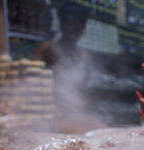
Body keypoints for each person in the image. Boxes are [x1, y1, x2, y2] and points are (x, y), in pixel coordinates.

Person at [32, 2, 106, 133]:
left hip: (77, 115)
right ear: (61, 24)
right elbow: (29, 84)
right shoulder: (47, 49)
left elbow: (82, 92)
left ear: (84, 27)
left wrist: (88, 115)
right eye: (69, 23)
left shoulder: (84, 56)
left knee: (102, 129)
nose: (74, 28)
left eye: (79, 24)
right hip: (52, 119)